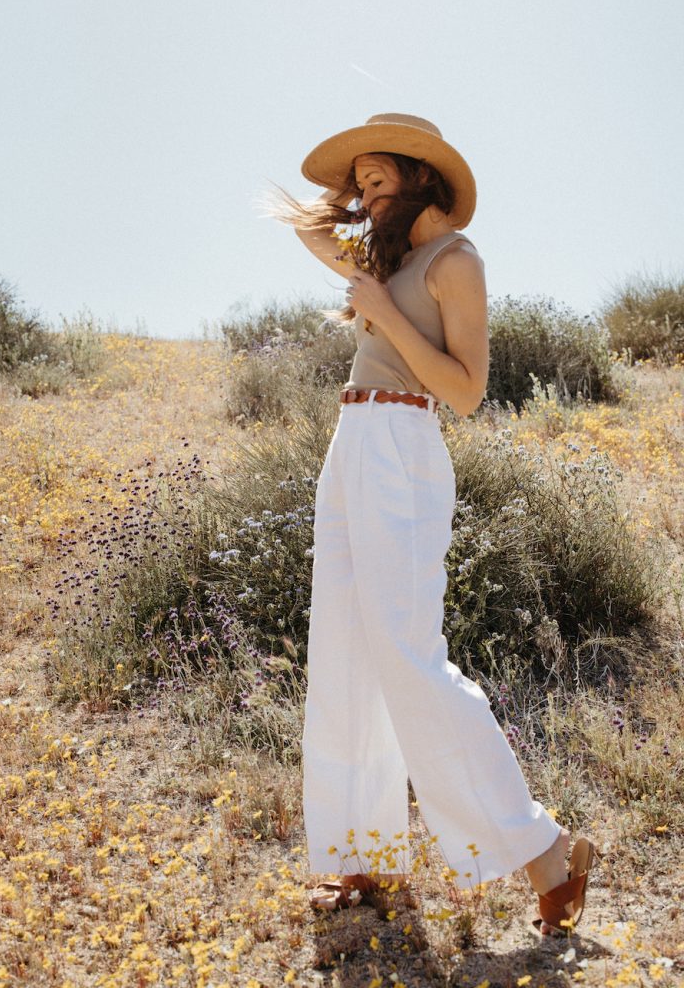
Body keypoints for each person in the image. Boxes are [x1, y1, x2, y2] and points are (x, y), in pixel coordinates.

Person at [282, 113, 595, 934]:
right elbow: (317, 239)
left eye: (381, 179)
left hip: (405, 441)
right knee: (347, 644)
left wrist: (382, 311)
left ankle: (544, 848)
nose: (366, 194)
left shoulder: (455, 262)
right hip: (351, 439)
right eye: (361, 184)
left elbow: (465, 389)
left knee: (410, 654)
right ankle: (362, 857)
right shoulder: (384, 260)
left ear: (422, 178)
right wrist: (349, 203)